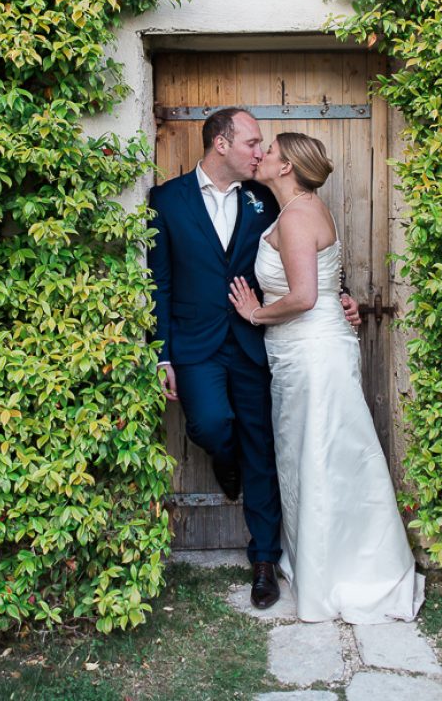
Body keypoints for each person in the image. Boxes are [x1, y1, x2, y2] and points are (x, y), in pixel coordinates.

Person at [148, 109, 359, 609]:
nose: (260, 151)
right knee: (212, 426)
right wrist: (162, 354)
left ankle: (263, 559)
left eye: (264, 145)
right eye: (251, 142)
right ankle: (226, 458)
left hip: (255, 341)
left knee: (262, 447)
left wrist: (338, 295)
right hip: (196, 345)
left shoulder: (268, 197)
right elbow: (159, 281)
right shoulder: (166, 200)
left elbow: (303, 256)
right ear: (221, 144)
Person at [228, 132, 425, 622]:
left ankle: (341, 571)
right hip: (308, 350)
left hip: (312, 353)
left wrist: (255, 313)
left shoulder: (296, 216)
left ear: (288, 166)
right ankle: (328, 559)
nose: (262, 155)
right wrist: (346, 303)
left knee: (320, 455)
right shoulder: (305, 208)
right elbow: (327, 281)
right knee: (322, 455)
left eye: (270, 151)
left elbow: (303, 298)